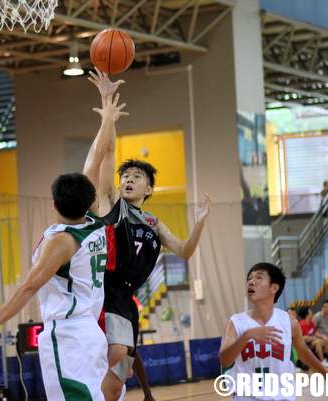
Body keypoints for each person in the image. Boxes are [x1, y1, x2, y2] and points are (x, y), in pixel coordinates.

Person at [85, 69, 211, 401]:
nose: (128, 178)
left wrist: (199, 223)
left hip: (128, 297)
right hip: (105, 288)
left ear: (149, 188)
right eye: (125, 175)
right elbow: (108, 153)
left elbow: (184, 251)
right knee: (117, 353)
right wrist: (107, 110)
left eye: (136, 176)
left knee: (123, 362)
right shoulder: (113, 204)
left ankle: (121, 395)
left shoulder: (154, 222)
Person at [0, 173, 108, 401]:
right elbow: (95, 164)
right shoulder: (97, 225)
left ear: (53, 204)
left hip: (67, 335)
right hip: (91, 332)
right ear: (90, 202)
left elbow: (28, 287)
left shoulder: (62, 242)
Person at [219, 263, 328, 400]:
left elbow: (304, 354)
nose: (251, 281)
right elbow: (225, 360)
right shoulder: (235, 323)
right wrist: (247, 335)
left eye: (258, 277)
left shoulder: (290, 322)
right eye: (249, 278)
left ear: (274, 288)